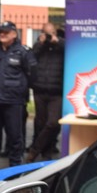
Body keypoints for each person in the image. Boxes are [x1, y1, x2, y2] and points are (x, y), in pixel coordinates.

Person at [0, 21, 36, 172]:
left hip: (13, 101)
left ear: (14, 34)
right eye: (0, 32)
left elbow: (32, 74)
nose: (2, 34)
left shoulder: (23, 51)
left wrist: (21, 91)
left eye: (5, 31)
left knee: (15, 137)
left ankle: (15, 167)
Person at [26, 22, 64, 162]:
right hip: (39, 90)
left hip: (56, 91)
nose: (48, 36)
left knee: (53, 123)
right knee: (40, 123)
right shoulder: (38, 46)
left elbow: (70, 51)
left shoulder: (62, 45)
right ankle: (46, 152)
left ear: (55, 33)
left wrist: (57, 42)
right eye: (45, 33)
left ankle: (35, 150)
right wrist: (41, 44)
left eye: (51, 33)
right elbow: (30, 59)